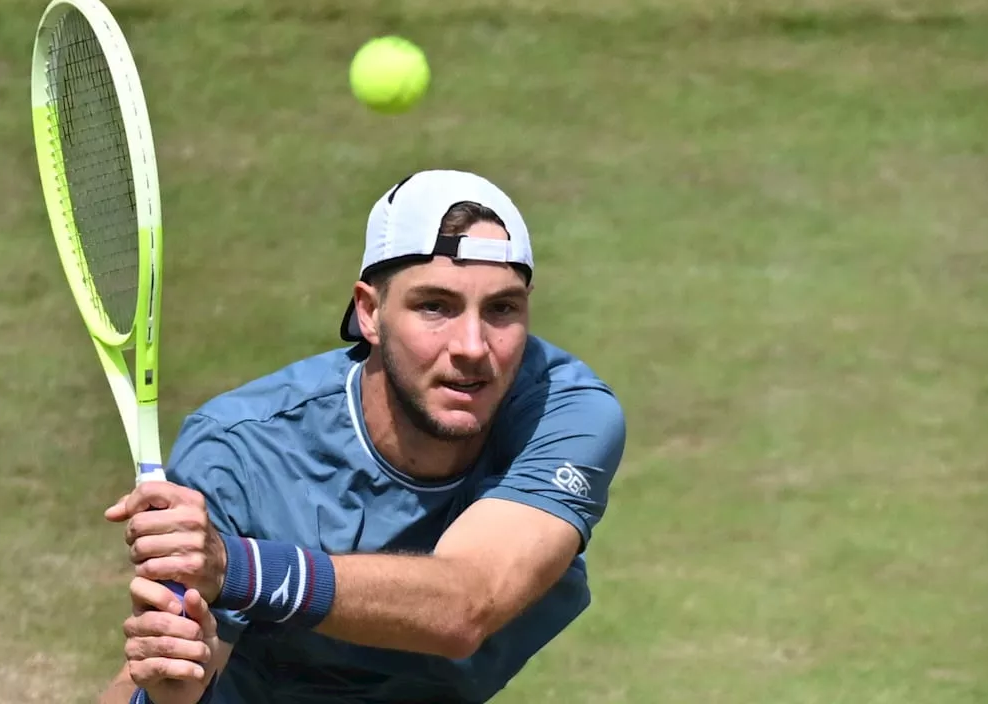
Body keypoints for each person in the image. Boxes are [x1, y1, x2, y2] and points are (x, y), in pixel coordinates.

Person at [98, 169, 628, 704]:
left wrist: (235, 566)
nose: (472, 345)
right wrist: (169, 693)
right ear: (370, 312)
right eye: (435, 307)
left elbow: (469, 602)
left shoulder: (562, 411)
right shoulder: (243, 454)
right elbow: (175, 668)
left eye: (502, 309)